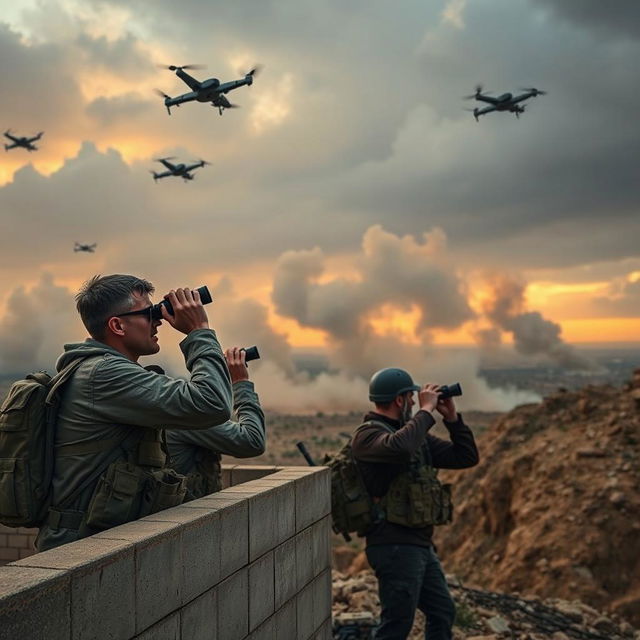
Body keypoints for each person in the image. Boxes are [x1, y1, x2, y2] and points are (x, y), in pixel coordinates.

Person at [36, 274, 233, 552]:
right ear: (117, 325)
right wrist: (198, 330)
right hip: (81, 548)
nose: (158, 321)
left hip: (94, 542)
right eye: (149, 313)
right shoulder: (104, 374)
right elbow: (212, 403)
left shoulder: (103, 371)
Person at [350, 367, 479, 640]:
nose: (413, 402)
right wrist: (426, 411)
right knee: (396, 625)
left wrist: (452, 419)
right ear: (399, 400)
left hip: (419, 545)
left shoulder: (413, 435)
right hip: (393, 546)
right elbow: (400, 447)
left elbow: (465, 457)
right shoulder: (368, 436)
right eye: (410, 397)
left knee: (442, 612)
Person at [167, 346, 266, 498]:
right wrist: (241, 382)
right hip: (190, 513)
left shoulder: (169, 402)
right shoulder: (185, 411)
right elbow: (252, 440)